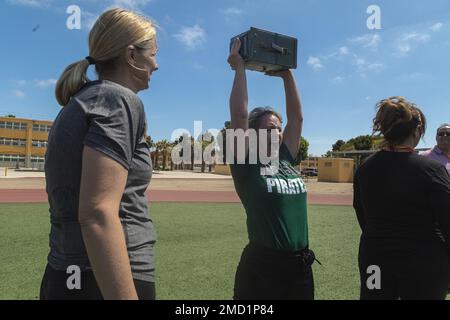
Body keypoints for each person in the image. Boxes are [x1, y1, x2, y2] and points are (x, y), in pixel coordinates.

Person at [40, 8, 158, 300]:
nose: (156, 65)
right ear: (132, 56)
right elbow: (97, 213)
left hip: (67, 274)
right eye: (153, 54)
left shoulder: (82, 100)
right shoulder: (117, 99)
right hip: (105, 278)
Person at [227, 39, 316, 300]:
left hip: (300, 266)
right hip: (263, 268)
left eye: (278, 128)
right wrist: (239, 67)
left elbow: (297, 118)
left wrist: (286, 73)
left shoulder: (285, 158)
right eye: (269, 129)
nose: (277, 133)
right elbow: (240, 115)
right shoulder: (246, 163)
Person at [353, 97, 450, 300]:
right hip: (423, 262)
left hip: (374, 258)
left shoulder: (364, 168)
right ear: (418, 130)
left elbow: (361, 212)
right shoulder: (432, 170)